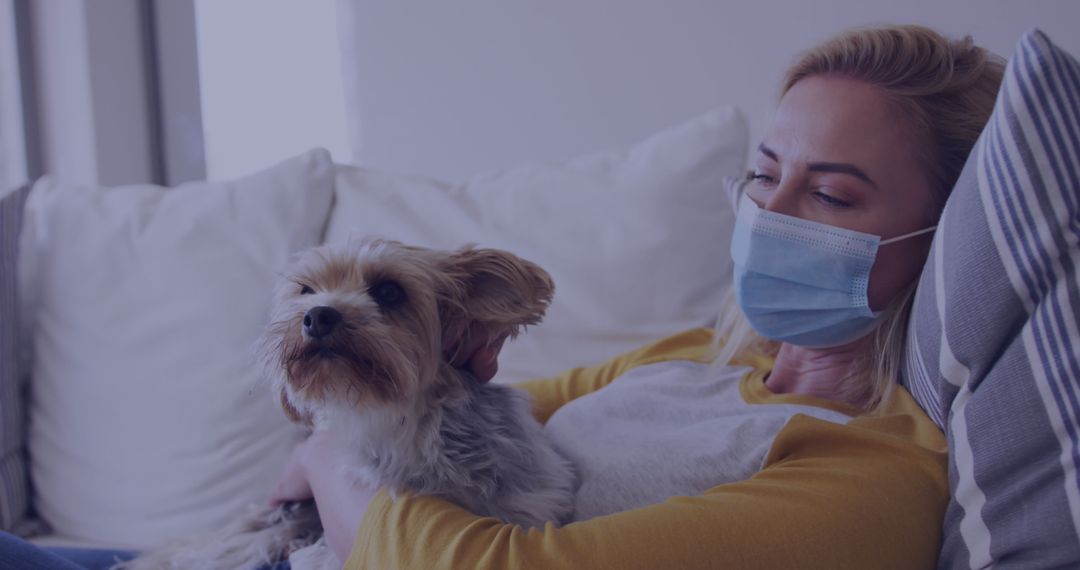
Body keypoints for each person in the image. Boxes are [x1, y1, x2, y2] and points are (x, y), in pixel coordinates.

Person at [0, 24, 1003, 570]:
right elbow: (467, 398)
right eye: (765, 174)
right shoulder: (698, 356)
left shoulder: (868, 476)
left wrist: (326, 466)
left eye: (830, 193)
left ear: (948, 232)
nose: (771, 214)